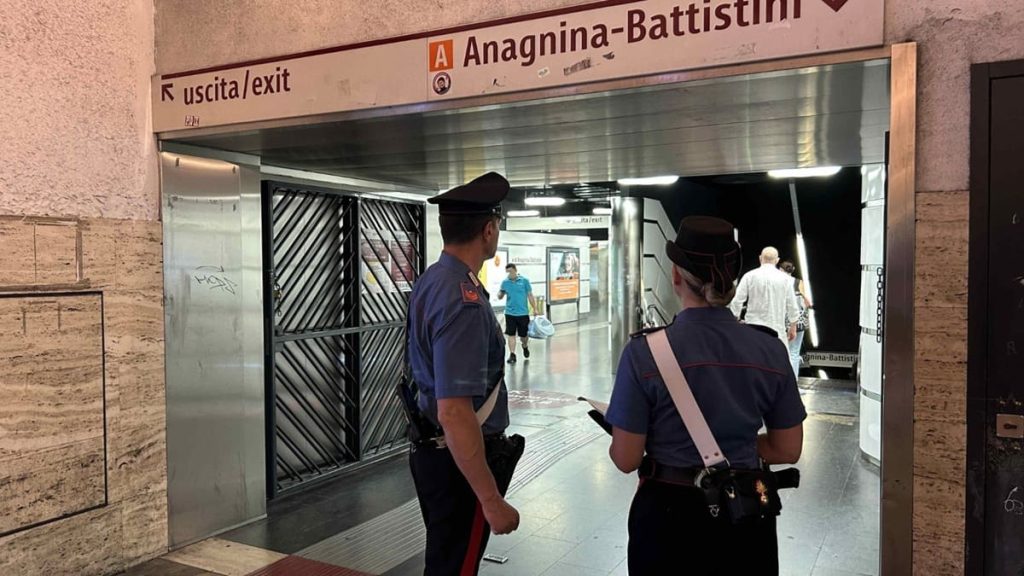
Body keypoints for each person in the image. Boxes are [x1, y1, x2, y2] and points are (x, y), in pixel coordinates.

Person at [605, 216, 806, 576]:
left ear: (676, 276)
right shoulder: (769, 350)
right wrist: (736, 447)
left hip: (667, 514)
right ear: (731, 279)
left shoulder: (644, 353)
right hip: (745, 510)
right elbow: (787, 449)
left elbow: (625, 457)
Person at [406, 172, 520, 575]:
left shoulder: (432, 281)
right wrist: (490, 499)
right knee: (455, 566)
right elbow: (455, 410)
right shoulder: (464, 300)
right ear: (488, 230)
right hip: (458, 463)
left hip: (436, 453)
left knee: (446, 559)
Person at [728, 246, 800, 347]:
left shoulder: (749, 276)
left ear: (760, 258)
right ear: (777, 260)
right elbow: (792, 304)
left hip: (753, 329)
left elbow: (737, 301)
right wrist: (793, 326)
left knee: (753, 359)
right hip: (777, 329)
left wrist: (735, 319)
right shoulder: (786, 279)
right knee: (777, 360)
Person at [498, 263, 538, 364]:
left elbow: (530, 295)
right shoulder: (505, 282)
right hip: (510, 313)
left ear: (515, 270)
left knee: (523, 335)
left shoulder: (524, 281)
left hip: (523, 313)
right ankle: (512, 355)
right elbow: (500, 294)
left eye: (511, 272)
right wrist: (500, 294)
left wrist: (535, 308)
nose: (509, 274)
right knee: (511, 334)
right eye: (507, 272)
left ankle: (525, 346)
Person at [779, 260, 813, 377]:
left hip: (780, 321)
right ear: (792, 270)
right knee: (794, 352)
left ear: (781, 270)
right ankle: (793, 384)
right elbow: (807, 302)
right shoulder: (798, 282)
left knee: (780, 352)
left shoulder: (777, 282)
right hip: (798, 321)